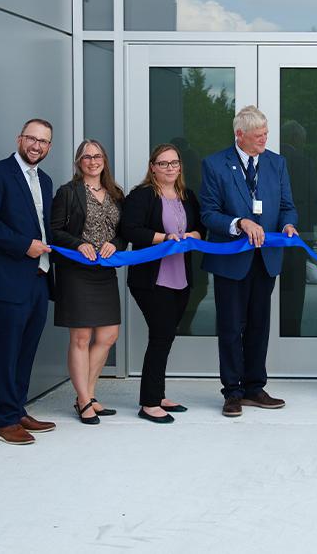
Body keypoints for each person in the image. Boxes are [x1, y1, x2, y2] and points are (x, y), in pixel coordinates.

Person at [200, 106, 298, 417]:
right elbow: (209, 213)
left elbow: (287, 206)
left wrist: (287, 225)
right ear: (239, 135)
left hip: (266, 260)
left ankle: (255, 387)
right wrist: (240, 222)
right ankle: (232, 392)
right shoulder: (215, 165)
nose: (264, 140)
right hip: (231, 261)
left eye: (266, 134)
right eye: (258, 136)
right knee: (230, 327)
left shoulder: (276, 163)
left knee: (259, 325)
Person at [0, 119, 57, 445]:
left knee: (26, 350)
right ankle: (5, 421)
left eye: (44, 141)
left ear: (49, 146)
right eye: (32, 139)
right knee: (6, 351)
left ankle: (18, 409)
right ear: (20, 139)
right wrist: (24, 245)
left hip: (38, 277)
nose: (37, 145)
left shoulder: (45, 180)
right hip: (6, 280)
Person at [121, 144, 205, 424]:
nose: (170, 167)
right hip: (151, 280)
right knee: (160, 336)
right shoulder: (141, 195)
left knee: (166, 337)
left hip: (181, 278)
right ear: (152, 167)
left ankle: (158, 395)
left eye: (174, 163)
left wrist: (193, 233)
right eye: (163, 163)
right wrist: (164, 238)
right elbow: (130, 230)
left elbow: (200, 228)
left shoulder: (187, 195)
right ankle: (148, 403)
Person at [50, 139, 126, 425]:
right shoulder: (67, 192)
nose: (92, 161)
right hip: (76, 271)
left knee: (108, 336)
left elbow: (123, 232)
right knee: (80, 338)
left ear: (104, 160)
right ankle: (84, 400)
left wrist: (115, 245)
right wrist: (79, 244)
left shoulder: (116, 194)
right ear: (78, 162)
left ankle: (88, 395)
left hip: (104, 271)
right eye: (86, 157)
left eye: (97, 156)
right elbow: (55, 231)